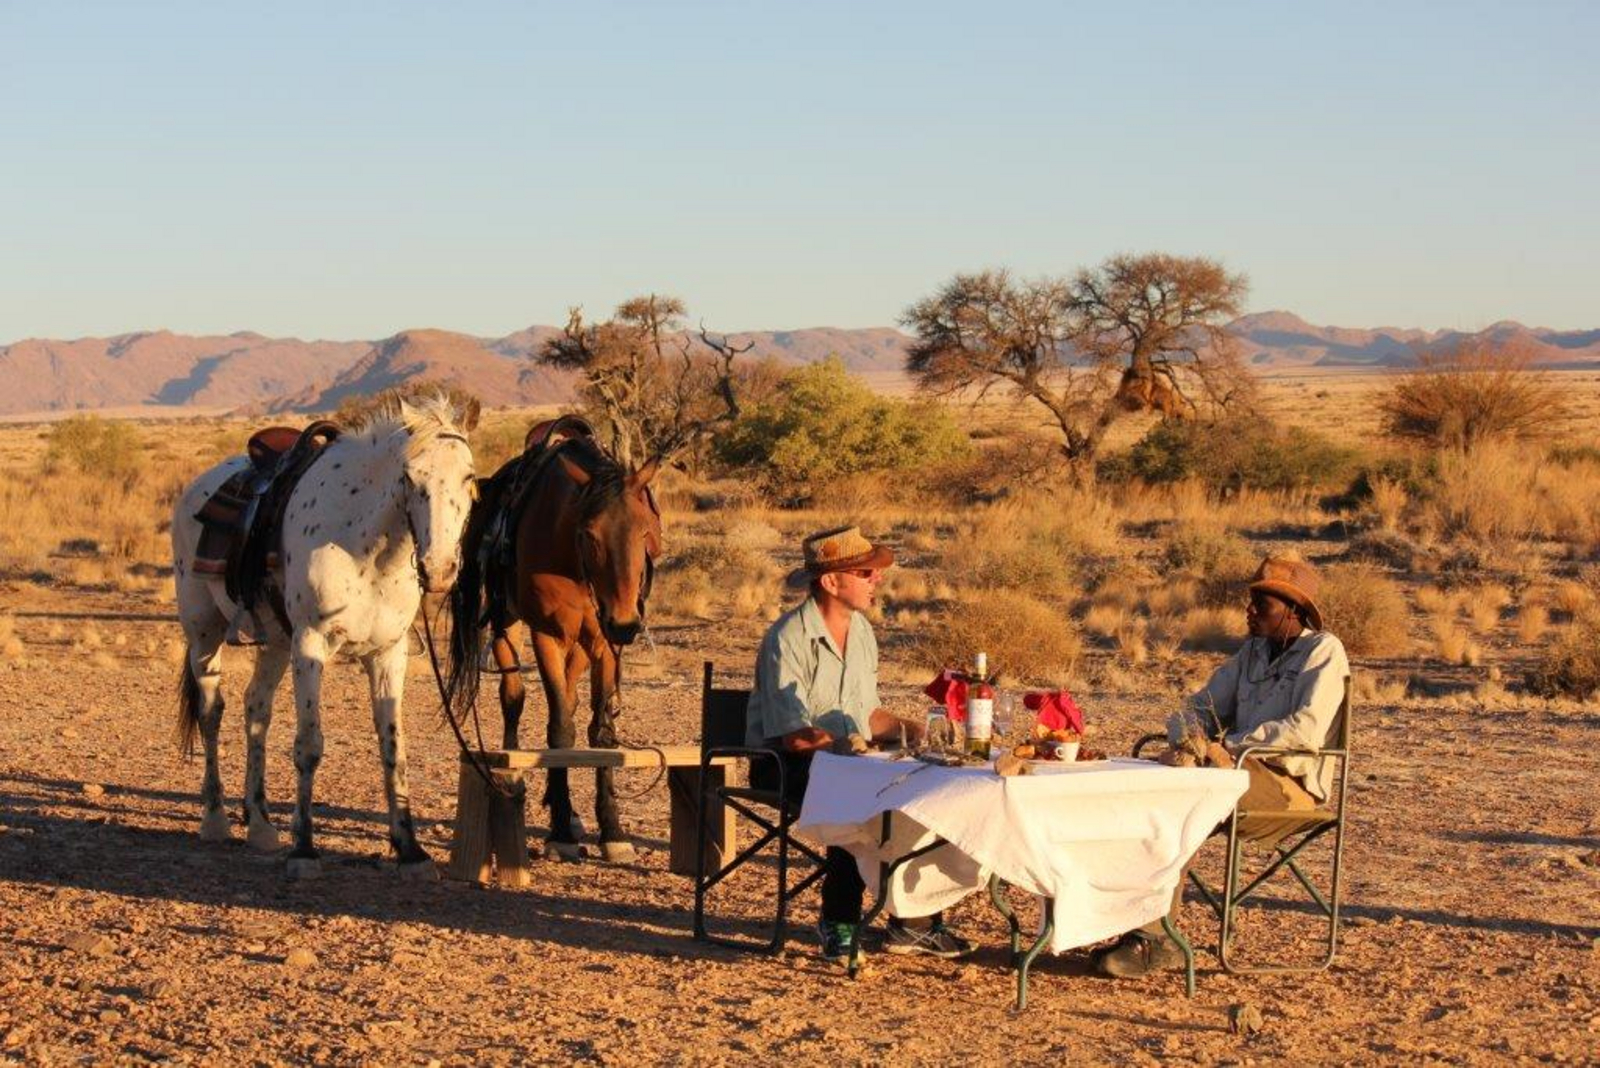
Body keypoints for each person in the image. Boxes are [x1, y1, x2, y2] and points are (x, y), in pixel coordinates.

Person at [1092, 554, 1350, 978]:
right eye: (1250, 602)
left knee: (1187, 792)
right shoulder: (1252, 653)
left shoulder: (1323, 651)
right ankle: (1140, 929)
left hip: (1289, 788)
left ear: (1294, 611)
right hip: (1232, 775)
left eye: (1261, 605)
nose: (1249, 611)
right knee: (1157, 792)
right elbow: (1197, 708)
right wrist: (1193, 739)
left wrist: (1226, 746)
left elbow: (1305, 729)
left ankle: (1153, 936)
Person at [746, 525, 975, 965]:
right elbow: (795, 734)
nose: (878, 580)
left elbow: (868, 715)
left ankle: (914, 921)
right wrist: (851, 750)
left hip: (850, 761)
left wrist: (916, 728)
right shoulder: (787, 639)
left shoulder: (863, 633)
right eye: (866, 572)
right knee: (858, 801)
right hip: (783, 763)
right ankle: (839, 921)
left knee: (929, 793)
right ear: (832, 582)